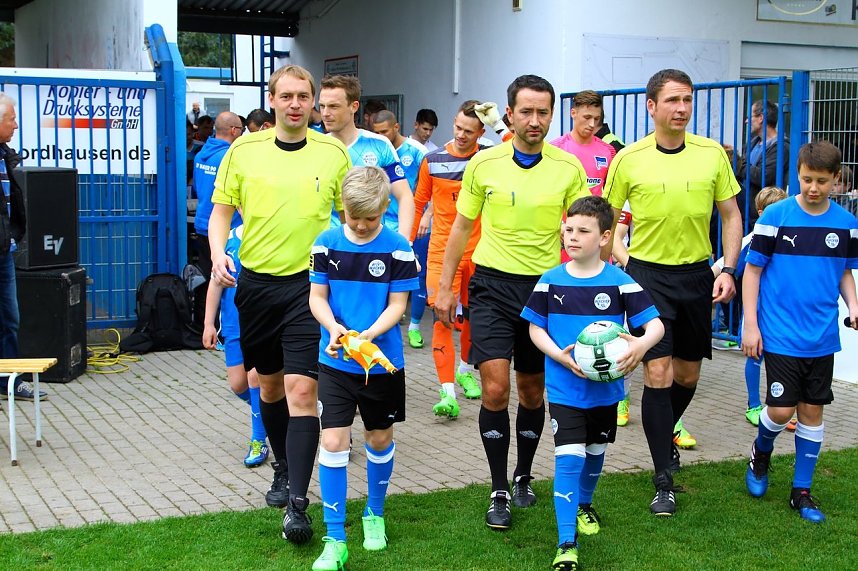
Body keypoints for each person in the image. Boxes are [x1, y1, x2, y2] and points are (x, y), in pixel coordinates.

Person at [435, 74, 589, 530]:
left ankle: (525, 475)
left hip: (545, 292)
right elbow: (460, 229)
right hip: (492, 288)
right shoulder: (485, 165)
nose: (535, 120)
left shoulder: (567, 168)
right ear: (509, 114)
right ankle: (499, 486)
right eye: (527, 111)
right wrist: (444, 287)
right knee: (496, 389)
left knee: (532, 392)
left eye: (544, 112)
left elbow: (581, 230)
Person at [209, 64, 351, 544]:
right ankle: (285, 467)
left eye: (303, 96)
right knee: (267, 388)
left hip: (308, 288)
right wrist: (215, 255)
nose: (295, 104)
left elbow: (350, 216)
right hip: (256, 286)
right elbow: (221, 212)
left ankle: (298, 504)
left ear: (314, 102)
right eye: (286, 95)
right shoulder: (243, 150)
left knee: (301, 391)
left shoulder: (333, 152)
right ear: (272, 100)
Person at [604, 68, 742, 516]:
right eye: (672, 101)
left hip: (697, 276)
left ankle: (665, 436)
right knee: (657, 374)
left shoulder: (711, 155)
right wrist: (607, 262)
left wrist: (728, 268)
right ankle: (662, 476)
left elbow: (732, 215)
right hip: (647, 277)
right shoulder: (630, 158)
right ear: (651, 106)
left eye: (686, 100)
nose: (681, 108)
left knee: (687, 376)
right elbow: (607, 215)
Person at [523, 195, 663, 571]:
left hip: (607, 390)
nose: (572, 237)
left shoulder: (620, 281)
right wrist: (562, 357)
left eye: (582, 231)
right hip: (565, 388)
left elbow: (656, 326)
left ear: (604, 238)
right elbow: (535, 328)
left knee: (596, 451)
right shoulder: (550, 281)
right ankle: (565, 542)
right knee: (570, 458)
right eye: (568, 229)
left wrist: (640, 347)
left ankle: (584, 503)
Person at [308, 166, 418, 570]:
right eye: (353, 218)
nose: (360, 225)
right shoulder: (326, 243)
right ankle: (335, 538)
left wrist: (368, 334)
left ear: (385, 208)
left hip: (381, 363)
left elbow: (398, 306)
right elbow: (317, 297)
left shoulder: (398, 248)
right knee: (334, 442)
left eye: (369, 219)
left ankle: (374, 513)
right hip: (334, 359)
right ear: (342, 209)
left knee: (377, 439)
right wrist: (334, 327)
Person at [743, 141, 858, 523]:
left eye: (822, 181)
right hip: (779, 331)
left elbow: (844, 271)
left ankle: (801, 492)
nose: (813, 187)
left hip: (822, 334)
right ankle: (761, 452)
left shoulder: (845, 223)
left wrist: (854, 306)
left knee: (811, 411)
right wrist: (750, 323)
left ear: (836, 180)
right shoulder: (775, 216)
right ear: (798, 174)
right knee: (780, 408)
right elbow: (753, 271)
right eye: (807, 179)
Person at [412, 100, 488, 419]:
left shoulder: (489, 158)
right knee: (441, 316)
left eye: (469, 131)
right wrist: (405, 247)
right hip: (442, 252)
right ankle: (447, 393)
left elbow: (521, 147)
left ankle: (464, 368)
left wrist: (498, 123)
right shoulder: (433, 160)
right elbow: (417, 205)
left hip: (481, 252)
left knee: (471, 317)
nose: (460, 135)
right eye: (457, 127)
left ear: (480, 132)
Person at [712, 186, 787, 426]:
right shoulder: (752, 240)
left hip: (782, 311)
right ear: (761, 212)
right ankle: (753, 405)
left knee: (783, 359)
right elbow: (724, 265)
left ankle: (780, 406)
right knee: (755, 356)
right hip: (756, 311)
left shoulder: (790, 238)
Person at [202, 223, 269, 468]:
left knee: (255, 379)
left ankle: (258, 440)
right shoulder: (228, 240)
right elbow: (215, 283)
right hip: (233, 326)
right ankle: (275, 412)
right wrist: (209, 323)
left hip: (261, 324)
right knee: (238, 384)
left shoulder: (270, 235)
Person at [319, 75, 415, 240]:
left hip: (374, 245)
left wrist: (405, 243)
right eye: (322, 106)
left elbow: (404, 196)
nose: (326, 113)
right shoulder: (317, 147)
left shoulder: (379, 144)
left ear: (354, 106)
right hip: (331, 246)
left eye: (333, 106)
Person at [0, 93, 46, 401]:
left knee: (10, 317)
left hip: (4, 251)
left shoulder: (6, 155)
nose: (16, 125)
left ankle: (9, 381)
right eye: (11, 119)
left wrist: (14, 235)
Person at [371, 109, 429, 348]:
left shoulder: (417, 152)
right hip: (380, 223)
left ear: (396, 128)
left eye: (384, 132)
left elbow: (434, 186)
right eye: (376, 133)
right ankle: (382, 323)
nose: (381, 137)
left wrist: (428, 213)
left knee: (415, 273)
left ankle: (415, 326)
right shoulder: (373, 149)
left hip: (413, 223)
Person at [192, 111, 244, 321]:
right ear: (233, 131)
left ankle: (205, 323)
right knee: (225, 278)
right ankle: (221, 322)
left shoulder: (200, 154)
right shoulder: (229, 157)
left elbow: (196, 189)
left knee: (208, 276)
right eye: (241, 130)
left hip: (203, 224)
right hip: (225, 227)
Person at [725, 99, 790, 228]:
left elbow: (762, 176)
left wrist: (735, 160)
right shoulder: (753, 143)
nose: (746, 121)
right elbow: (744, 172)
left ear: (761, 118)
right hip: (746, 212)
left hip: (765, 214)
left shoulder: (781, 147)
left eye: (750, 117)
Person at [549, 90, 616, 197]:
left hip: (596, 213)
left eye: (596, 119)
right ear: (573, 113)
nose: (592, 124)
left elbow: (612, 190)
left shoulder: (608, 150)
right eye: (587, 117)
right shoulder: (554, 148)